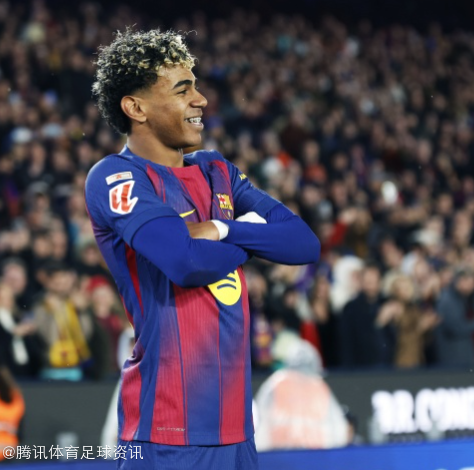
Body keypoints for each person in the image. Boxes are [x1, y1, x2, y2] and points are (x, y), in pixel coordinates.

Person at [85, 29, 319, 470]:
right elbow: (185, 261)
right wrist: (251, 235)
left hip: (237, 430)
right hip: (166, 431)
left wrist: (219, 229)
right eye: (182, 90)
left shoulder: (217, 171)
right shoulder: (115, 177)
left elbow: (303, 242)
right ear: (136, 108)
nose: (201, 99)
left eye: (195, 85)